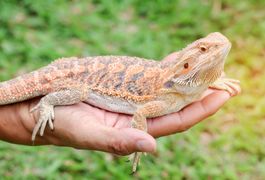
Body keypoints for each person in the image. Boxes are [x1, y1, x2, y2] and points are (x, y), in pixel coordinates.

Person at [0, 53, 240, 155]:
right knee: (81, 90)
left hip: (67, 69)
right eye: (204, 48)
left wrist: (213, 78)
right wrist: (43, 107)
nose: (211, 52)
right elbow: (142, 114)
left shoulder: (180, 82)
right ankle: (48, 102)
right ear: (186, 65)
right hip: (68, 78)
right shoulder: (170, 91)